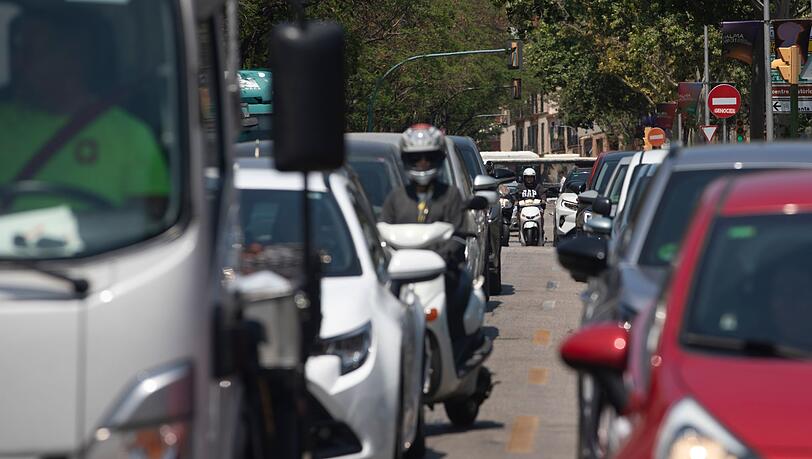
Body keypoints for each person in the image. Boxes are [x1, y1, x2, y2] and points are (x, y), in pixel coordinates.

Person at [0, 11, 170, 215]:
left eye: (31, 53)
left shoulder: (131, 137)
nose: (17, 64)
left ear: (71, 58)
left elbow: (151, 220)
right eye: (17, 52)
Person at [380, 124, 473, 345]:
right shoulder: (396, 198)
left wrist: (440, 258)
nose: (423, 163)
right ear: (406, 160)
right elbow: (381, 235)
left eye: (429, 158)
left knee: (461, 294)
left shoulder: (451, 195)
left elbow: (459, 235)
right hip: (401, 275)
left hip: (443, 273)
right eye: (416, 158)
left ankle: (457, 349)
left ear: (439, 159)